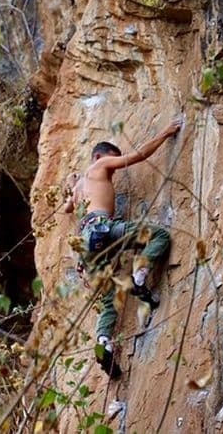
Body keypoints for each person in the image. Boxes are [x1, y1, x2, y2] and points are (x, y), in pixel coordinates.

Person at [64, 119, 181, 378]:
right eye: (111, 161)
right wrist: (165, 132)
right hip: (102, 228)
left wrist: (70, 186)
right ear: (98, 156)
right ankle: (139, 278)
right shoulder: (99, 165)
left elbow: (67, 209)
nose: (113, 169)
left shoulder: (79, 187)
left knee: (108, 302)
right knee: (158, 235)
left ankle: (103, 342)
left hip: (86, 246)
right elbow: (138, 156)